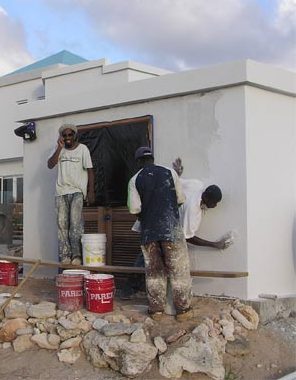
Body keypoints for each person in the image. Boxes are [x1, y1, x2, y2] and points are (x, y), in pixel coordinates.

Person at [121, 159, 232, 299]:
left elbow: (176, 182)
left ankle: (131, 290)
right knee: (151, 261)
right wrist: (214, 244)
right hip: (162, 228)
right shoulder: (193, 210)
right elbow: (188, 236)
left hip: (153, 219)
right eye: (214, 203)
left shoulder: (197, 185)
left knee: (147, 257)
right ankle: (131, 291)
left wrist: (177, 173)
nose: (215, 206)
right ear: (207, 199)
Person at [127, 146, 193, 321]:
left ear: (139, 162)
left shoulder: (135, 179)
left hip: (149, 233)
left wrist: (147, 216)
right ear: (152, 159)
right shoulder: (170, 173)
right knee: (179, 271)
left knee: (154, 273)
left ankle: (156, 311)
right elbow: (180, 199)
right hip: (172, 231)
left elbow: (134, 208)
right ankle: (184, 311)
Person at [47, 123, 95, 265]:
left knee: (75, 223)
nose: (67, 137)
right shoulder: (58, 150)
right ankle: (65, 255)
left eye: (70, 135)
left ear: (75, 135)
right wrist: (59, 148)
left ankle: (77, 256)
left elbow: (90, 170)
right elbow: (50, 165)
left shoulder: (83, 149)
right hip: (61, 192)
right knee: (62, 224)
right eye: (64, 135)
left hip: (77, 191)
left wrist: (91, 191)